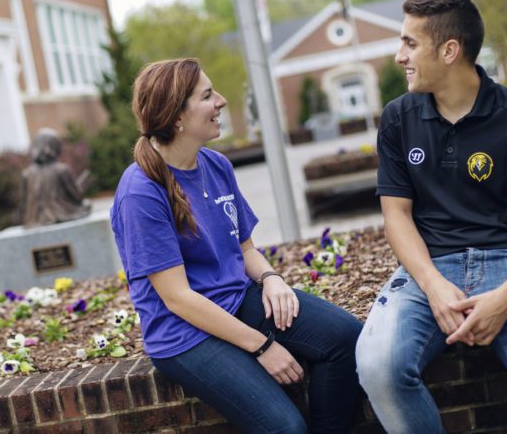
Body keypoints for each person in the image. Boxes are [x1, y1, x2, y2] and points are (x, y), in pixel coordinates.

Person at [355, 0, 507, 433]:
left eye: (409, 43)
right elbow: (397, 217)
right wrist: (433, 285)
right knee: (377, 367)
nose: (398, 55)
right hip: (428, 269)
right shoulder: (397, 119)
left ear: (449, 50)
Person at [110, 58, 363, 433]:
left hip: (238, 299)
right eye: (208, 96)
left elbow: (245, 250)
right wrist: (262, 347)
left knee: (345, 338)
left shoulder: (215, 165)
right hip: (184, 332)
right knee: (285, 427)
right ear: (176, 116)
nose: (222, 102)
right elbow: (177, 298)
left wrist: (272, 278)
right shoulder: (141, 192)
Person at [21, 128, 91, 227]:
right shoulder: (62, 170)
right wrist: (82, 185)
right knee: (87, 205)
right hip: (63, 214)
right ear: (55, 147)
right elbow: (77, 198)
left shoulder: (26, 174)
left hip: (33, 220)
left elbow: (24, 205)